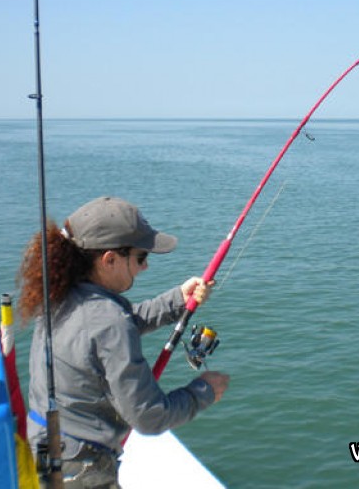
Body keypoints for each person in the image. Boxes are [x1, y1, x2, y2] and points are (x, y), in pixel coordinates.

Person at [17, 196, 230, 488]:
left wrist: (177, 299)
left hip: (44, 445)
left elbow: (110, 328)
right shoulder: (108, 321)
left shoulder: (57, 295)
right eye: (141, 258)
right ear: (109, 259)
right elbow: (150, 417)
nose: (145, 268)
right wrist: (202, 391)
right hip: (82, 470)